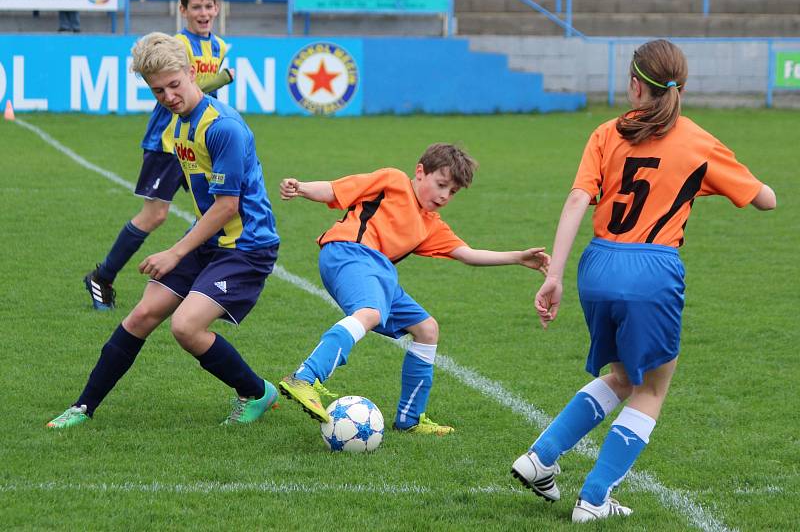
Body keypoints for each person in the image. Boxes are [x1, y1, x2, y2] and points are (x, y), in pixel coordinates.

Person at [510, 39, 776, 522]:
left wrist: (554, 275)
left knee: (622, 377)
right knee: (652, 388)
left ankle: (539, 459)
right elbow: (766, 200)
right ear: (681, 88)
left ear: (635, 84)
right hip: (652, 269)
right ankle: (593, 499)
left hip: (597, 264)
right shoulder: (698, 141)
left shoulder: (607, 133)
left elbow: (576, 202)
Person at [47, 32, 280, 429]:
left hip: (246, 246)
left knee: (185, 326)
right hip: (209, 240)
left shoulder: (224, 128)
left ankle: (256, 392)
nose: (169, 95)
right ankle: (82, 408)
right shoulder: (174, 129)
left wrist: (175, 252)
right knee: (142, 315)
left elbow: (227, 206)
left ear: (192, 73)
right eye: (158, 91)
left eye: (175, 84)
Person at [277, 144, 551, 435]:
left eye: (453, 192)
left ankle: (409, 419)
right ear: (420, 172)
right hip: (349, 252)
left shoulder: (430, 225)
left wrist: (517, 258)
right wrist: (301, 188)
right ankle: (305, 377)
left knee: (427, 329)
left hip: (380, 273)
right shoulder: (393, 181)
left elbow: (467, 254)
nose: (445, 196)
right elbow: (336, 190)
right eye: (441, 184)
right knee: (369, 313)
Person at [84, 0, 235, 310]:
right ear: (182, 10)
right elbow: (177, 90)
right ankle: (102, 276)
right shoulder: (174, 45)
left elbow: (206, 96)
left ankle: (205, 281)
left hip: (201, 141)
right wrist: (220, 79)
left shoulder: (220, 47)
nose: (204, 13)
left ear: (218, 8)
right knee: (155, 216)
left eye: (209, 6)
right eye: (196, 7)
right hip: (168, 143)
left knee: (216, 209)